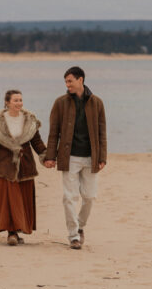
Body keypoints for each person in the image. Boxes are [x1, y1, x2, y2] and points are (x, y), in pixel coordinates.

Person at [44, 66, 107, 250]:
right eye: (65, 81)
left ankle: (80, 226)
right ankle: (73, 236)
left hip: (91, 157)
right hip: (69, 157)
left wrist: (102, 156)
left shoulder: (97, 103)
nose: (67, 85)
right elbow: (53, 132)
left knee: (90, 197)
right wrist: (50, 156)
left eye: (70, 81)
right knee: (69, 197)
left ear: (81, 80)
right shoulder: (60, 103)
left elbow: (102, 132)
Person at [0, 89, 46, 245]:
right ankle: (12, 233)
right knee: (9, 200)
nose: (19, 103)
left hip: (25, 165)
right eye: (15, 100)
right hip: (4, 166)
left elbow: (37, 142)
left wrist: (46, 157)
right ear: (7, 102)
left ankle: (17, 231)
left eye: (21, 100)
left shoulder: (30, 120)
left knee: (22, 199)